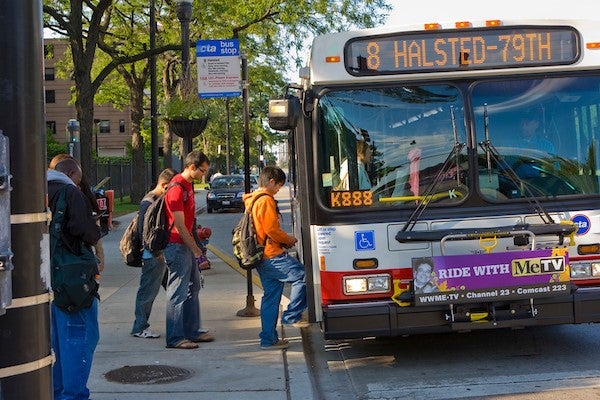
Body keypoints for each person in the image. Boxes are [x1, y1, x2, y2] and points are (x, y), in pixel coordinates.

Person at [48, 158, 102, 400]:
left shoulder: (35, 189)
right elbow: (87, 231)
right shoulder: (69, 192)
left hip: (45, 279)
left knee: (55, 344)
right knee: (79, 339)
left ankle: (58, 393)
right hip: (71, 282)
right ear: (70, 173)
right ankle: (74, 395)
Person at [244, 166, 307, 350]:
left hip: (261, 256)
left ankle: (268, 339)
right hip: (272, 255)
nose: (279, 189)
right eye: (279, 185)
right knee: (303, 276)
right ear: (271, 182)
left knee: (271, 298)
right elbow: (271, 229)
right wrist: (289, 239)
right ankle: (292, 316)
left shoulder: (253, 200)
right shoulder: (266, 201)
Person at [163, 151, 214, 349]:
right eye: (202, 170)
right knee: (177, 292)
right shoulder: (177, 188)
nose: (204, 175)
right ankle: (175, 337)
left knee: (193, 287)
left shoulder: (188, 186)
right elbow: (180, 226)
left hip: (185, 245)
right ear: (192, 167)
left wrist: (195, 247)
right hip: (177, 245)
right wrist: (195, 250)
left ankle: (191, 331)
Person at [131, 167, 177, 339]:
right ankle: (139, 327)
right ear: (164, 185)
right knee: (147, 292)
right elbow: (143, 231)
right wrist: (154, 250)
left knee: (174, 290)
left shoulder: (154, 200)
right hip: (154, 255)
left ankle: (182, 322)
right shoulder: (149, 202)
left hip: (158, 254)